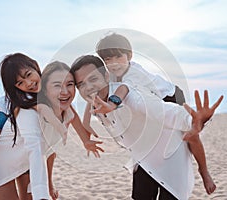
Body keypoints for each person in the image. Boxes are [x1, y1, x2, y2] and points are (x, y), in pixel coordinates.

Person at [70, 55, 223, 200]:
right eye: (81, 84)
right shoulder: (95, 102)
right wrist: (85, 135)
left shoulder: (132, 97)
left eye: (93, 79)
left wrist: (193, 119)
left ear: (106, 77)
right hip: (144, 159)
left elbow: (164, 112)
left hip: (170, 155)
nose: (88, 87)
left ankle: (203, 171)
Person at [0, 53, 103, 200]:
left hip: (24, 160)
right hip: (1, 156)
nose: (28, 83)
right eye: (20, 83)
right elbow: (37, 144)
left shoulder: (56, 100)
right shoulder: (24, 103)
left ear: (36, 69)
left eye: (29, 74)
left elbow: (51, 148)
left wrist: (85, 141)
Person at [93, 32, 217, 195]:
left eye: (118, 57)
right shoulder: (114, 75)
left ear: (129, 55)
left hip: (170, 96)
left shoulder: (134, 74)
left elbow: (125, 89)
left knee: (190, 135)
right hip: (151, 100)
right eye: (108, 60)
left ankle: (204, 171)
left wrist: (113, 103)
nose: (114, 63)